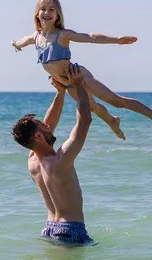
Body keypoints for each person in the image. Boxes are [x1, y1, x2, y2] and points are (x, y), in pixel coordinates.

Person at [11, 0, 152, 140]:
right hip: (67, 83)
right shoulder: (36, 37)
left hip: (78, 75)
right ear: (37, 13)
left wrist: (116, 39)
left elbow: (90, 37)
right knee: (93, 108)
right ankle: (112, 121)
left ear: (57, 15)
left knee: (116, 101)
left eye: (52, 10)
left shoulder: (62, 35)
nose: (47, 13)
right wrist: (15, 45)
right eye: (43, 9)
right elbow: (22, 40)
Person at [12, 63, 94, 245]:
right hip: (70, 229)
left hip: (49, 228)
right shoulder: (60, 160)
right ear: (39, 136)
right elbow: (85, 121)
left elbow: (49, 122)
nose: (48, 125)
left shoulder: (33, 160)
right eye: (44, 126)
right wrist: (79, 86)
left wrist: (60, 93)